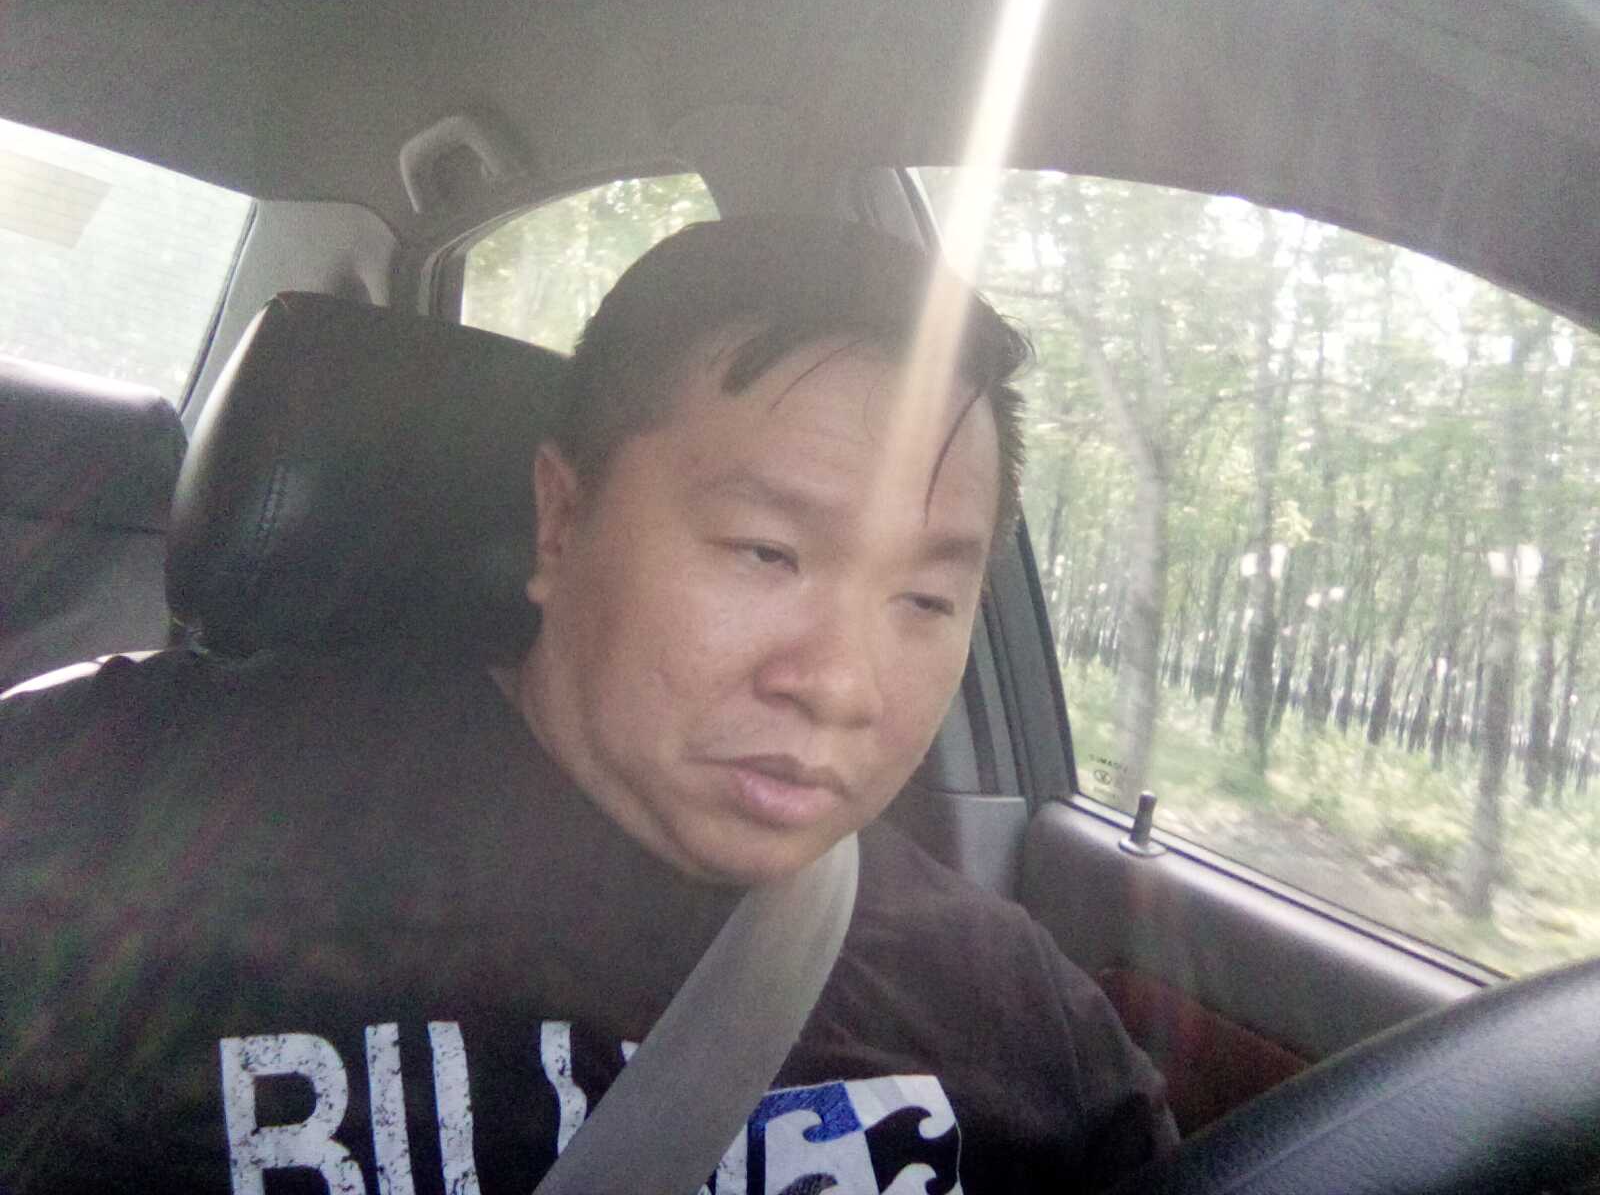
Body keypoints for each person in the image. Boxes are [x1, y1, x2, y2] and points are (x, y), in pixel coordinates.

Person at [0, 218, 1175, 1193]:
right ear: (562, 518)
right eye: (766, 553)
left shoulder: (1024, 1021)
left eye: (924, 598)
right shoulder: (114, 811)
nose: (840, 685)